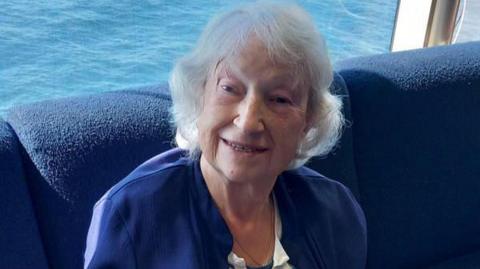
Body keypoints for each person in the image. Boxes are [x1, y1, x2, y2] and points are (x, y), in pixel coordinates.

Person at [84, 1, 366, 268]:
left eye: (279, 99)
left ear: (308, 120)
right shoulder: (131, 217)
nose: (248, 122)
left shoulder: (335, 213)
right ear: (199, 94)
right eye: (230, 88)